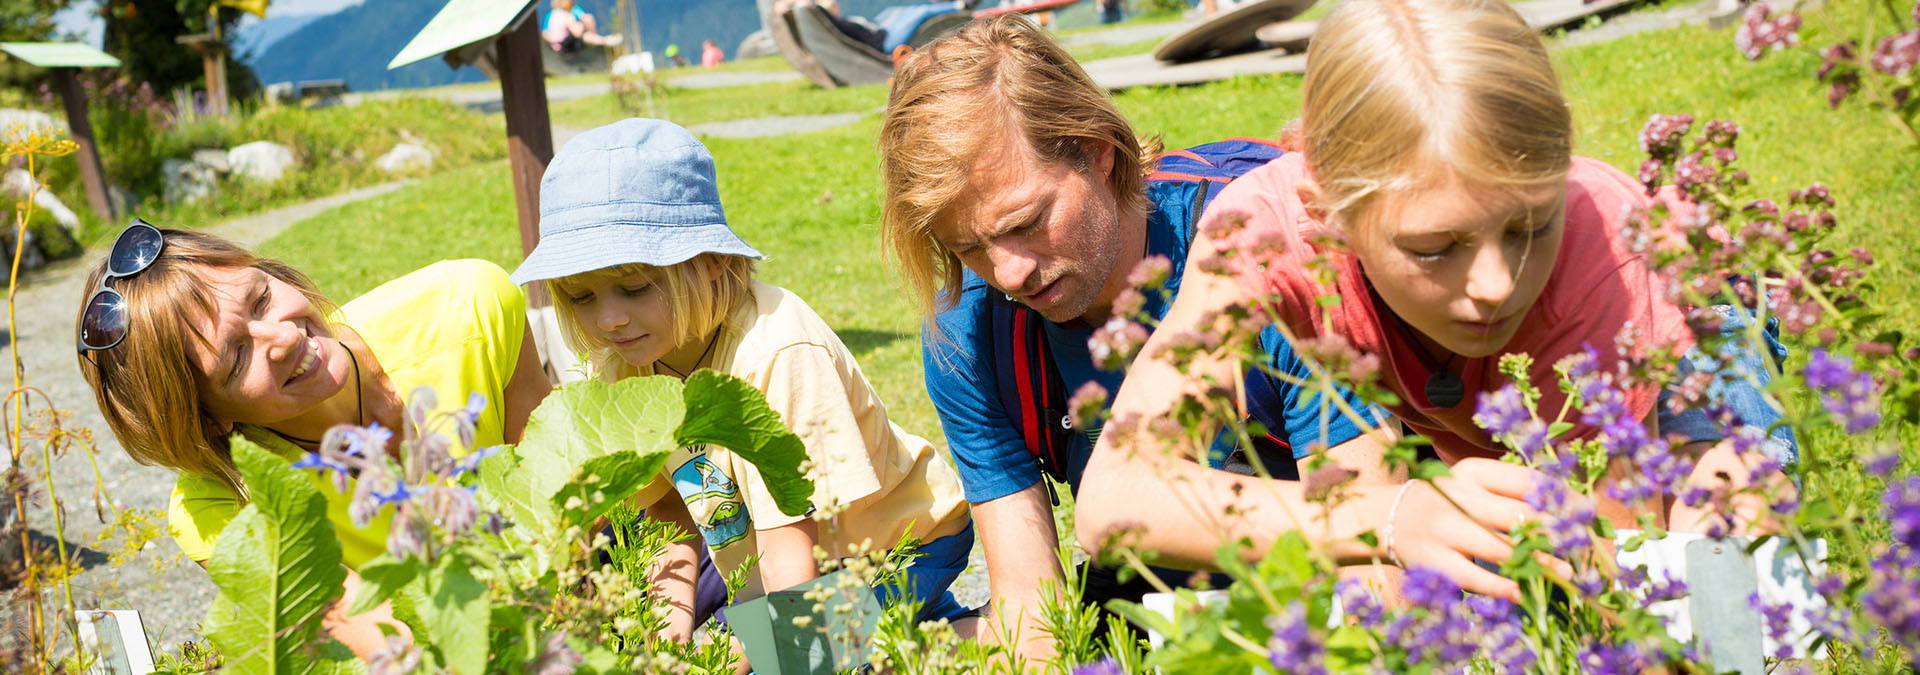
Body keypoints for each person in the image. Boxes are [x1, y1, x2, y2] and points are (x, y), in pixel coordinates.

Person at [1075, 0, 1795, 600]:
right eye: (1434, 248)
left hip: (1684, 346)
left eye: (1528, 226)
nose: (1497, 284)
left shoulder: (1596, 245)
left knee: (1728, 571)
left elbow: (1607, 574)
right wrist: (1387, 516)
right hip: (1472, 416)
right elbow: (1114, 497)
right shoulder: (1263, 237)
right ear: (1329, 215)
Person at [879, 16, 1412, 660]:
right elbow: (1032, 603)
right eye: (968, 246)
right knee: (836, 652)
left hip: (1334, 578)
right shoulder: (970, 329)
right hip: (1156, 597)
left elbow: (1380, 569)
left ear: (1099, 148)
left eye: (1028, 221)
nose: (1010, 271)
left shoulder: (1259, 243)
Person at [509, 119, 978, 654]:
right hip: (797, 565)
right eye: (582, 297)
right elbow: (669, 510)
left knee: (829, 657)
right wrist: (667, 642)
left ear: (714, 262)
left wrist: (767, 654)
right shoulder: (626, 363)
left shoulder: (777, 352)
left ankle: (994, 640)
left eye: (634, 287)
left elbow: (793, 549)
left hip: (899, 546)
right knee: (787, 652)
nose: (610, 319)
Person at [75, 222, 550, 658]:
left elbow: (562, 501)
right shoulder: (223, 505)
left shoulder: (465, 308)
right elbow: (393, 646)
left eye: (261, 299)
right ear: (208, 419)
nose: (281, 336)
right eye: (237, 357)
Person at [543, 0, 623, 53]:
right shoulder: (566, 15)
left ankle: (603, 40)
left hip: (555, 45)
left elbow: (545, 33)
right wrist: (581, 26)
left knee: (586, 26)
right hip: (564, 45)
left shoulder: (551, 15)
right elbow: (577, 33)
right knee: (586, 36)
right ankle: (605, 41)